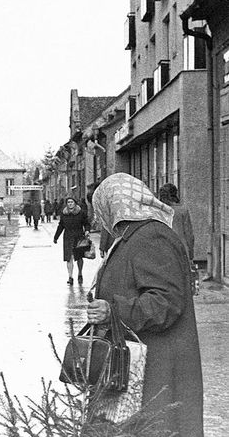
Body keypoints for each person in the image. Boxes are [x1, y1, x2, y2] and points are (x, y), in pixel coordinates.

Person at [86, 173, 203, 436]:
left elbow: (166, 302)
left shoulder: (151, 236)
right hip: (142, 366)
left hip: (158, 372)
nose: (99, 217)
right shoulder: (133, 236)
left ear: (112, 205)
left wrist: (113, 311)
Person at [53, 197, 90, 285]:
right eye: (68, 202)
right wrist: (56, 237)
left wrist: (87, 230)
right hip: (68, 237)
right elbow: (61, 226)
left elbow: (86, 223)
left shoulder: (81, 213)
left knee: (79, 257)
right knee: (69, 258)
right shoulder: (64, 213)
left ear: (75, 203)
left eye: (72, 202)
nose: (70, 204)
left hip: (79, 236)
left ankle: (80, 273)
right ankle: (70, 277)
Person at [158, 183, 195, 263]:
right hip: (181, 249)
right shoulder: (182, 211)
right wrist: (191, 252)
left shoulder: (159, 211)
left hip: (163, 249)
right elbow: (189, 234)